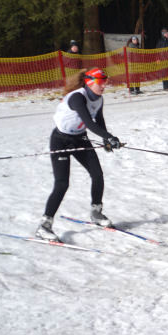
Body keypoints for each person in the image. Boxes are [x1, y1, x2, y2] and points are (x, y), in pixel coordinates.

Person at [35, 68, 123, 242]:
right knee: (62, 183)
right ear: (90, 82)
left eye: (105, 81)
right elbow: (89, 122)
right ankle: (44, 225)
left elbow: (99, 120)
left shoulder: (99, 99)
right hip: (60, 139)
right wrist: (109, 137)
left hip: (80, 138)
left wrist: (106, 139)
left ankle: (96, 213)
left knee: (97, 174)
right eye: (101, 82)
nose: (104, 85)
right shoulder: (77, 97)